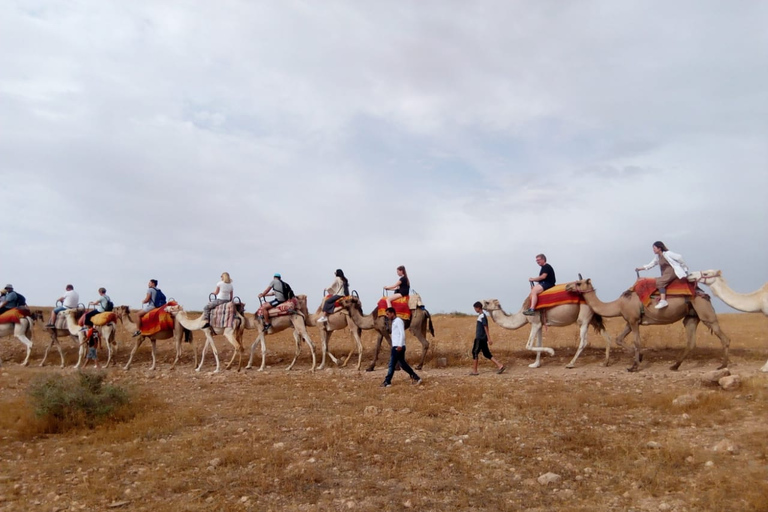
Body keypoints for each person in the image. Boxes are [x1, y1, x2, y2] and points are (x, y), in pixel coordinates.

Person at [635, 241, 690, 310]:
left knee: (660, 282)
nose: (653, 250)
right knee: (656, 280)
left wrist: (684, 267)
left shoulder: (667, 254)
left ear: (659, 248)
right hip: (666, 273)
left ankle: (663, 301)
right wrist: (640, 269)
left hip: (672, 272)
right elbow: (651, 264)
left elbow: (679, 257)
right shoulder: (657, 257)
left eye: (654, 248)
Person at [380, 307, 422, 387]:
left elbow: (402, 333)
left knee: (392, 365)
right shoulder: (395, 321)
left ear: (392, 313)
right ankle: (416, 378)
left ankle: (387, 381)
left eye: (388, 314)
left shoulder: (398, 321)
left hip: (397, 347)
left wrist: (399, 345)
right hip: (397, 346)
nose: (387, 316)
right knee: (403, 365)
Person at [470, 301, 506, 375]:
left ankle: (475, 371)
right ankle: (500, 365)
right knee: (486, 354)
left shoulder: (482, 316)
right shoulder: (482, 316)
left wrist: (489, 338)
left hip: (480, 338)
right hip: (483, 338)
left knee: (475, 352)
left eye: (475, 308)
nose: (474, 310)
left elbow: (485, 327)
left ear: (478, 308)